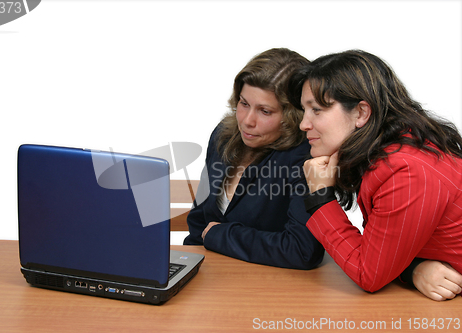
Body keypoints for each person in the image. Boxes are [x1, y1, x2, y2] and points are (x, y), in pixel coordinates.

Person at [287, 49, 462, 300]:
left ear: (361, 113)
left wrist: (320, 198)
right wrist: (412, 270)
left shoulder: (405, 172)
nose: (304, 124)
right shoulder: (391, 154)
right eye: (304, 111)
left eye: (316, 110)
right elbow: (383, 253)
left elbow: (369, 274)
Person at [183, 48, 324, 269]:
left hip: (270, 284)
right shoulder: (223, 135)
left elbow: (303, 249)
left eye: (265, 111)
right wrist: (188, 264)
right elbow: (200, 218)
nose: (247, 121)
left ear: (292, 116)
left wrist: (219, 235)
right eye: (244, 103)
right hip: (212, 276)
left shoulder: (306, 157)